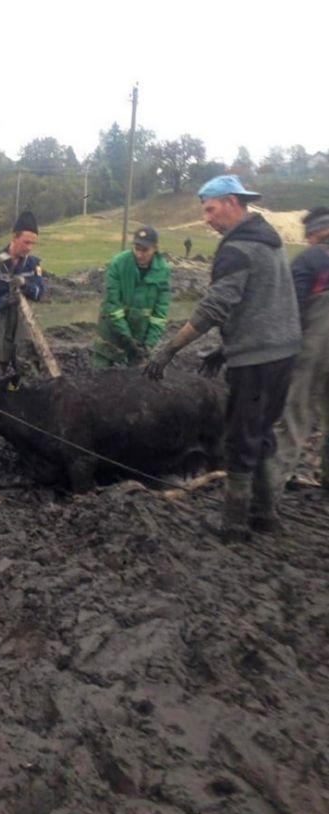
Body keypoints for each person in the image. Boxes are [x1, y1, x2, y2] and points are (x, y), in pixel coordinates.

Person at [144, 174, 302, 541]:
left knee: (238, 439)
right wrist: (226, 346)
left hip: (257, 360)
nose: (206, 218)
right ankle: (265, 515)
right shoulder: (269, 240)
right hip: (284, 352)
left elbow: (214, 307)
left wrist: (169, 348)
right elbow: (262, 300)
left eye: (210, 209)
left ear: (232, 202)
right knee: (261, 432)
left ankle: (233, 525)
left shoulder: (236, 248)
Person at [274, 206, 329, 489]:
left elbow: (289, 309)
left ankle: (266, 500)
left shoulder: (309, 259)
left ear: (316, 233)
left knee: (294, 419)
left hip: (315, 351)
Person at [92, 225, 171, 368]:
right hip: (111, 334)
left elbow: (160, 314)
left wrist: (148, 345)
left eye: (145, 250)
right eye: (136, 248)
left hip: (140, 336)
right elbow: (112, 305)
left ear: (155, 248)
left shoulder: (163, 271)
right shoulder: (119, 263)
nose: (139, 254)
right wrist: (127, 338)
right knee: (100, 380)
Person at [0, 210, 44, 375]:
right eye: (26, 242)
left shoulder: (33, 264)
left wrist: (24, 284)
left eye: (33, 244)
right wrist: (6, 300)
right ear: (14, 237)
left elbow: (38, 294)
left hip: (24, 326)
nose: (29, 248)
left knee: (26, 368)